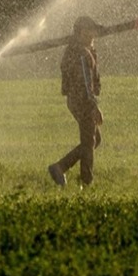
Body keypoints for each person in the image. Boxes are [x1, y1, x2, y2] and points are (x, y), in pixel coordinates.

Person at [48, 16, 107, 189]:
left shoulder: (81, 50)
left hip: (78, 100)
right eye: (90, 30)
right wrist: (93, 107)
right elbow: (86, 84)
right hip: (82, 101)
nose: (93, 35)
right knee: (89, 142)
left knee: (94, 140)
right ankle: (86, 183)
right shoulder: (81, 54)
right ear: (81, 32)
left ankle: (60, 167)